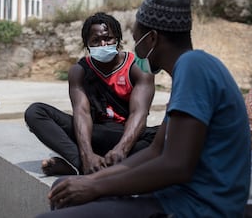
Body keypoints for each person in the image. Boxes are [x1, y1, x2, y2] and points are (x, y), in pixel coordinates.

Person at [36, 0, 251, 218]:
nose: (135, 47)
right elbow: (156, 151)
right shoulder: (191, 68)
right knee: (62, 190)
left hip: (196, 208)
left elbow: (175, 166)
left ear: (152, 39)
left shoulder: (194, 66)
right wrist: (92, 179)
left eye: (136, 38)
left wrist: (94, 186)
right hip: (176, 197)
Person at [24, 12, 158, 176]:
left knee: (161, 137)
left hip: (126, 136)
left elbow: (139, 113)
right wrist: (86, 153)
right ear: (87, 44)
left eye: (108, 38)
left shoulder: (138, 67)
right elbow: (82, 112)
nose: (103, 44)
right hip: (94, 134)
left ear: (118, 39)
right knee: (36, 112)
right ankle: (84, 164)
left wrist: (121, 149)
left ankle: (81, 165)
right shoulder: (79, 71)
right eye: (95, 40)